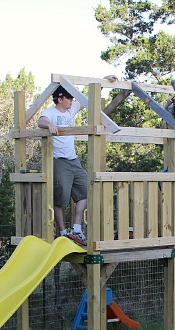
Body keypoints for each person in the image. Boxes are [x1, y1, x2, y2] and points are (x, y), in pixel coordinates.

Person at [38, 76, 117, 246]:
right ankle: (63, 233)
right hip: (59, 160)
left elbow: (87, 98)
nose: (72, 101)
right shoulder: (50, 113)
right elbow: (41, 121)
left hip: (73, 160)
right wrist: (48, 126)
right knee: (61, 198)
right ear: (60, 99)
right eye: (69, 98)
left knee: (86, 190)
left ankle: (76, 228)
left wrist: (103, 81)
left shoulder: (71, 110)